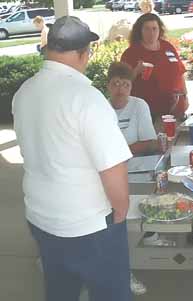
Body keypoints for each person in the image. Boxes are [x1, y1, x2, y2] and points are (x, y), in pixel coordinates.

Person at [12, 16, 133, 301]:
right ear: (84, 53)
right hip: (87, 224)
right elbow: (113, 168)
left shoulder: (24, 92)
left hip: (41, 217)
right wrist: (120, 211)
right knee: (110, 295)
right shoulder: (87, 99)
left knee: (60, 291)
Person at [121, 13, 188, 120]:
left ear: (159, 30)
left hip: (175, 109)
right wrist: (136, 71)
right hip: (148, 113)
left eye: (154, 28)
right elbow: (121, 83)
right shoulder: (131, 53)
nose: (151, 33)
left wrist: (185, 96)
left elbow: (180, 72)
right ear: (140, 31)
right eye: (147, 29)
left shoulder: (167, 47)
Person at [107, 61, 159, 157]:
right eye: (116, 84)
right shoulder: (101, 108)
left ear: (131, 87)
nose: (121, 89)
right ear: (108, 86)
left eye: (126, 84)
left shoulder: (139, 105)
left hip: (138, 164)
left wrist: (119, 153)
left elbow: (149, 143)